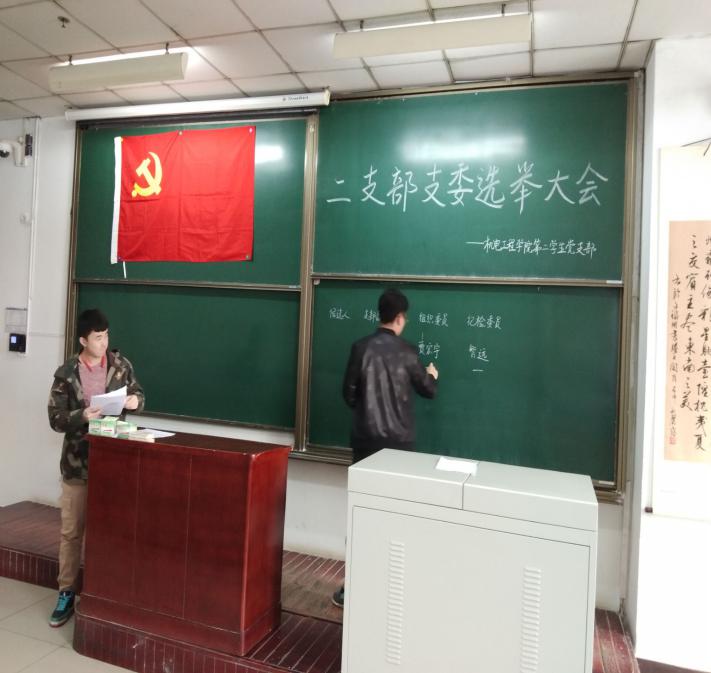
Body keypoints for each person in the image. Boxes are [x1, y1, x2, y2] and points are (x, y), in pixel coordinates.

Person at [333, 288, 438, 607]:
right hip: (399, 449)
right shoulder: (408, 352)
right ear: (400, 318)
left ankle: (353, 588)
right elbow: (428, 390)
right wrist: (432, 375)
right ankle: (393, 590)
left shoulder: (360, 347)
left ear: (380, 315)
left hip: (365, 443)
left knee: (361, 514)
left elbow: (348, 394)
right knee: (397, 517)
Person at [47, 308, 144, 627]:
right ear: (83, 341)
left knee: (111, 532)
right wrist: (82, 416)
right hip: (77, 465)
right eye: (98, 338)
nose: (104, 343)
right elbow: (55, 419)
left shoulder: (120, 365)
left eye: (106, 336)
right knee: (72, 532)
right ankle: (66, 592)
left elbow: (139, 395)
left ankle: (107, 593)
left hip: (114, 464)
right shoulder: (66, 373)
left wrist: (134, 402)